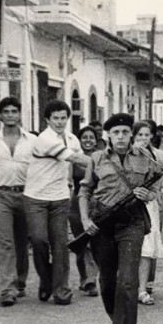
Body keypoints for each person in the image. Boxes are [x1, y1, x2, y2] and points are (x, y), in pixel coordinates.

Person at [78, 113, 157, 324]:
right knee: (108, 282)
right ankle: (119, 322)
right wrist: (85, 220)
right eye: (116, 133)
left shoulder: (144, 157)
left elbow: (155, 188)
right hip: (102, 223)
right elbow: (84, 190)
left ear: (131, 134)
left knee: (127, 279)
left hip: (132, 222)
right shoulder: (97, 158)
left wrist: (148, 195)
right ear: (108, 136)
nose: (121, 137)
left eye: (125, 132)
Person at [23, 100, 90, 305]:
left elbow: (78, 167)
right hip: (36, 197)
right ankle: (46, 280)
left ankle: (62, 290)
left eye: (63, 118)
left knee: (60, 245)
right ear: (47, 120)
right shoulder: (44, 139)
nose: (60, 122)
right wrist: (106, 160)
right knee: (39, 241)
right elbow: (76, 160)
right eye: (56, 118)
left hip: (60, 197)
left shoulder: (72, 138)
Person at [0, 96, 35, 306]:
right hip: (1, 195)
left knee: (22, 242)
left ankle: (20, 281)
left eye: (14, 111)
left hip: (27, 194)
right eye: (6, 112)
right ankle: (8, 289)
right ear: (0, 116)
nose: (10, 115)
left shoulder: (31, 140)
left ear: (20, 114)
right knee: (4, 243)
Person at [132, 122, 163, 305]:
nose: (143, 139)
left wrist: (150, 195)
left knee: (146, 249)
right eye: (139, 135)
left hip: (148, 206)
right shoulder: (126, 155)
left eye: (147, 135)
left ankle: (143, 289)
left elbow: (157, 185)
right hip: (129, 206)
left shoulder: (157, 157)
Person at [68, 126, 100, 298]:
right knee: (81, 243)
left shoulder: (102, 157)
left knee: (92, 243)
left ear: (96, 140)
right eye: (84, 137)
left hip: (98, 203)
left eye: (91, 137)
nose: (88, 140)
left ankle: (90, 280)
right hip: (76, 205)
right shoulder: (73, 159)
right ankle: (84, 278)